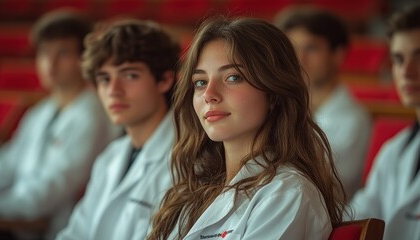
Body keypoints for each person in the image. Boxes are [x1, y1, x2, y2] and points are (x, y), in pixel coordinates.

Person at [147, 16, 346, 240]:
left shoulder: (288, 195)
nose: (209, 95)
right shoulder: (192, 188)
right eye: (200, 82)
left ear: (273, 94)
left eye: (233, 77)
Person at [0, 9, 120, 240]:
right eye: (44, 53)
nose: (50, 63)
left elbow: (45, 196)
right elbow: (4, 168)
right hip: (15, 220)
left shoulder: (93, 115)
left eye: (62, 53)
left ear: (84, 59)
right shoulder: (39, 112)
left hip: (52, 229)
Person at [56, 18, 180, 240]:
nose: (114, 90)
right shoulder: (110, 156)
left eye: (130, 75)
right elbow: (76, 233)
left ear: (164, 79)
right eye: (104, 78)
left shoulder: (187, 160)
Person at [276, 7, 372, 199]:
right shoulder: (280, 106)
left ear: (338, 54)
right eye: (293, 49)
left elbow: (323, 186)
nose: (300, 59)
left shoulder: (353, 120)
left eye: (311, 48)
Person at [350, 5, 420, 240]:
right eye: (399, 59)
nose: (407, 72)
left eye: (419, 58)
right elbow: (357, 216)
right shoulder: (395, 150)